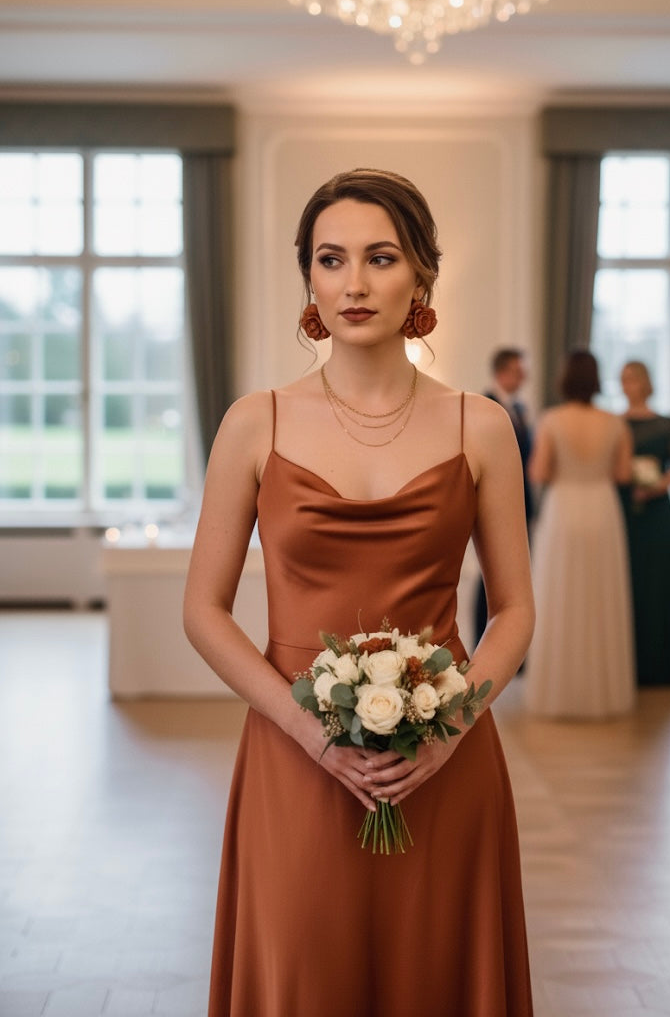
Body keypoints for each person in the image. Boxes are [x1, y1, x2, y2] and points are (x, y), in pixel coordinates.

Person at [183, 168, 535, 1017]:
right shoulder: (255, 420)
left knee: (434, 970)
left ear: (420, 275)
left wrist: (449, 733)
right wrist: (311, 734)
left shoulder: (481, 424)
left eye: (380, 258)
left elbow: (515, 611)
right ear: (307, 276)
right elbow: (202, 611)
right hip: (293, 754)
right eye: (330, 259)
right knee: (305, 972)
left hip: (443, 760)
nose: (353, 283)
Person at [524, 349, 635, 719]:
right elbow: (623, 474)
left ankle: (561, 694)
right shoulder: (615, 423)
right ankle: (604, 694)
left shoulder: (552, 420)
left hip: (564, 511)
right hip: (602, 509)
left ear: (565, 379)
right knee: (601, 599)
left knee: (560, 597)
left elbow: (539, 472)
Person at [473, 347, 534, 646]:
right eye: (519, 371)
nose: (524, 377)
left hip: (521, 500)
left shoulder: (520, 408)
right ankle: (483, 639)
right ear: (502, 372)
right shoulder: (484, 406)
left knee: (513, 579)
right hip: (492, 501)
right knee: (489, 576)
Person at [619, 360, 670, 686]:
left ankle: (659, 664)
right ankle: (630, 664)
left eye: (633, 378)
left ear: (645, 382)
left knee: (658, 583)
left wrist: (659, 486)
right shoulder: (615, 423)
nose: (628, 385)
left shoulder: (665, 423)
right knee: (630, 582)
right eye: (623, 379)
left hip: (657, 515)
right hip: (626, 510)